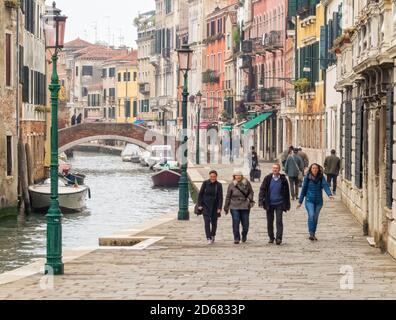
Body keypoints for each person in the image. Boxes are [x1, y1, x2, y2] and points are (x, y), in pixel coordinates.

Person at [297, 164, 334, 241]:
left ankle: (313, 233)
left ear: (318, 169)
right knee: (311, 215)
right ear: (311, 169)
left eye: (316, 168)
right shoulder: (307, 177)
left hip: (318, 201)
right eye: (313, 168)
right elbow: (303, 189)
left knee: (315, 217)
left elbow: (325, 185)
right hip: (309, 200)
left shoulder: (321, 177)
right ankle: (311, 233)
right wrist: (300, 202)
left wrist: (329, 194)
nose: (315, 169)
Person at [259, 163, 291, 245]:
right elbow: (262, 189)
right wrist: (261, 200)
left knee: (279, 221)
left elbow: (287, 192)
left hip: (279, 203)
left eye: (276, 168)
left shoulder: (283, 179)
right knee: (270, 221)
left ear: (279, 169)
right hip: (269, 203)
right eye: (273, 168)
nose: (275, 169)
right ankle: (271, 237)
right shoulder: (268, 178)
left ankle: (279, 238)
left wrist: (287, 204)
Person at [224, 170, 255, 244]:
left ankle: (244, 234)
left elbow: (251, 192)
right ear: (234, 176)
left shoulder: (246, 183)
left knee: (245, 224)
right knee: (236, 221)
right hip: (234, 205)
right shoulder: (231, 184)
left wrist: (249, 199)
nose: (238, 177)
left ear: (242, 176)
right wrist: (226, 207)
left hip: (245, 205)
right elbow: (228, 196)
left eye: (239, 175)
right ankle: (236, 238)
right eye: (236, 175)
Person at [197, 170, 224, 245]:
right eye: (211, 176)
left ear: (216, 177)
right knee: (207, 222)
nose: (213, 178)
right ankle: (208, 237)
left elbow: (220, 197)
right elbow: (200, 194)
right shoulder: (205, 183)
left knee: (214, 223)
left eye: (214, 177)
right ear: (209, 176)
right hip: (205, 206)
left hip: (215, 207)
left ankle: (213, 235)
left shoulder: (219, 185)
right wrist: (199, 205)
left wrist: (219, 207)